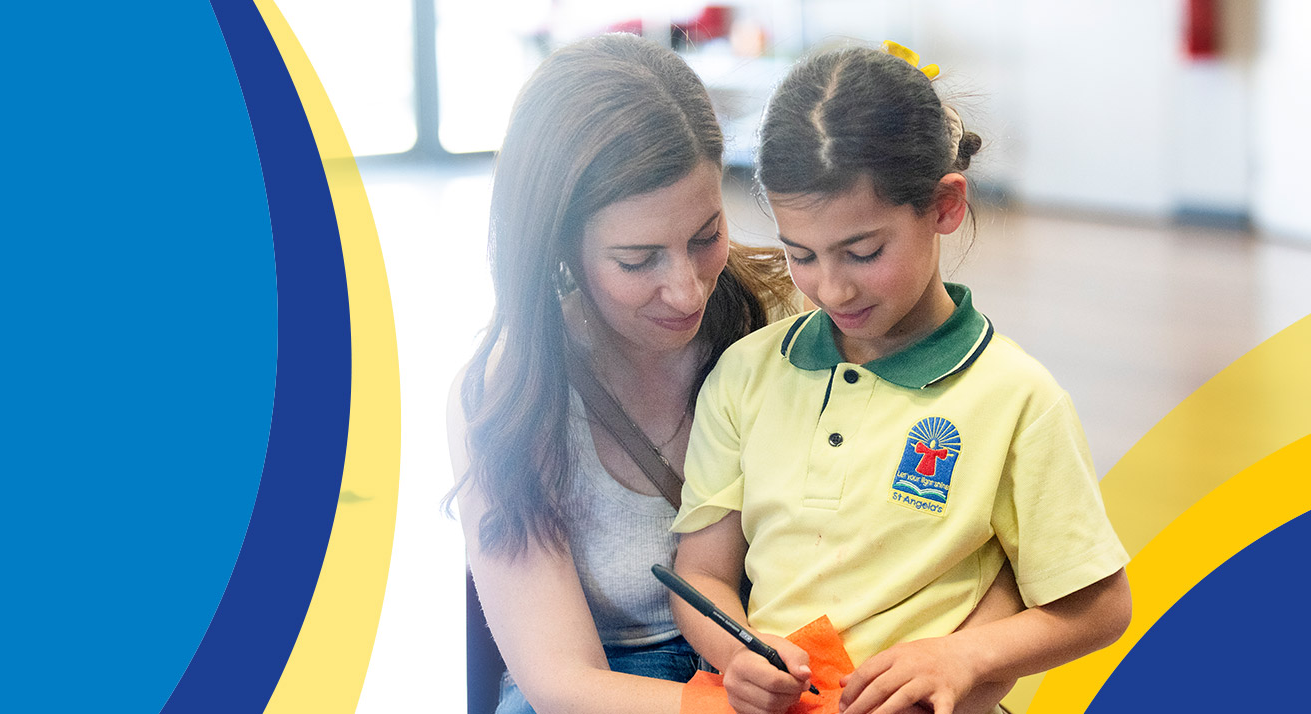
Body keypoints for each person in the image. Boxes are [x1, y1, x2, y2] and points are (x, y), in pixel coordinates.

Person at [670, 43, 1133, 714]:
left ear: (944, 207)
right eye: (801, 254)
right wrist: (738, 651)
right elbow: (701, 574)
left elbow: (1099, 607)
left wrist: (963, 657)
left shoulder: (1017, 399)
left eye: (863, 252)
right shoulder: (745, 374)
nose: (831, 287)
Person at [444, 32, 798, 714]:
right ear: (559, 246)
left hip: (774, 662)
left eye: (705, 238)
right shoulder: (505, 392)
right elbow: (560, 681)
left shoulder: (782, 320)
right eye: (638, 261)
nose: (688, 291)